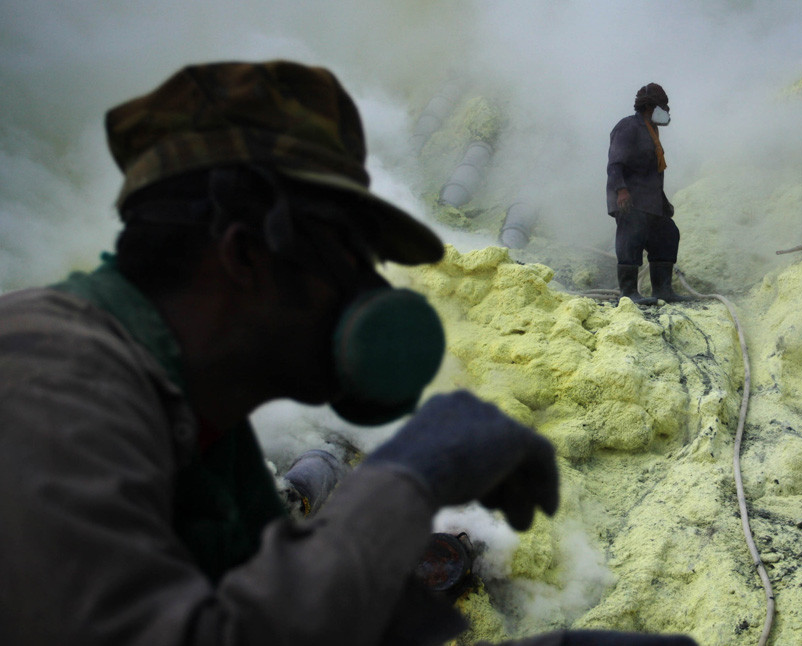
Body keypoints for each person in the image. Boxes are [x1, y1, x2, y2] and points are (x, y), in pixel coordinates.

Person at [0, 61, 696, 646]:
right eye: (339, 256)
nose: (360, 288)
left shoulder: (211, 427)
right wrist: (403, 482)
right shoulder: (48, 381)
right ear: (244, 253)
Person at [606, 82, 688, 304]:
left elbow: (653, 174)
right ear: (650, 107)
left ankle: (663, 290)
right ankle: (629, 294)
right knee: (630, 240)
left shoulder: (651, 130)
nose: (667, 111)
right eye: (663, 106)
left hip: (651, 203)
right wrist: (621, 191)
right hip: (631, 201)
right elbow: (615, 164)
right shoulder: (628, 127)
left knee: (668, 235)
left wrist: (663, 203)